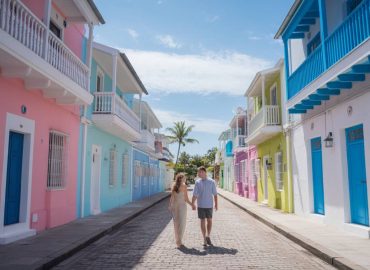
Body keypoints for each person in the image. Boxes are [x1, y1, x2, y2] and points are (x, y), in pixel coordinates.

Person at [192, 166, 218, 246]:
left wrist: (216, 204)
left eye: (200, 172)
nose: (199, 173)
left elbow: (215, 194)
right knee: (202, 221)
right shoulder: (197, 182)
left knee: (209, 220)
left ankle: (208, 236)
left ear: (204, 172)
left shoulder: (212, 182)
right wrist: (193, 203)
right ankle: (204, 238)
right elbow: (195, 194)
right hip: (201, 205)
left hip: (209, 205)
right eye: (198, 172)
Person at [168, 173, 194, 248]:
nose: (185, 179)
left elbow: (171, 197)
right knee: (182, 223)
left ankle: (178, 241)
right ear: (181, 179)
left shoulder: (174, 186)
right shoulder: (184, 186)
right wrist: (192, 204)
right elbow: (186, 198)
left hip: (175, 206)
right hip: (182, 206)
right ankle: (179, 241)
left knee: (176, 224)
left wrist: (170, 205)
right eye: (184, 178)